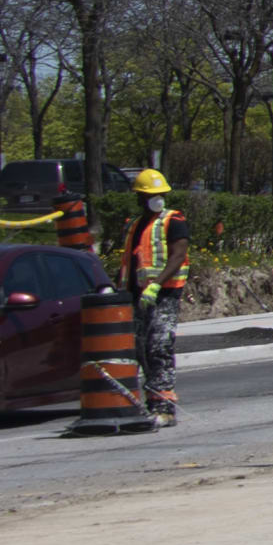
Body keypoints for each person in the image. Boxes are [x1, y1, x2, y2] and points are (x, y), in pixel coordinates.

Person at [117, 167, 190, 426]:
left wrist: (157, 284)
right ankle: (149, 403)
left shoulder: (174, 220)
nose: (156, 198)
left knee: (159, 346)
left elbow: (178, 255)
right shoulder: (135, 225)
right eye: (151, 194)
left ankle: (164, 407)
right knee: (140, 349)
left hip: (164, 294)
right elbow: (129, 261)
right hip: (138, 297)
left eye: (160, 194)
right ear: (139, 197)